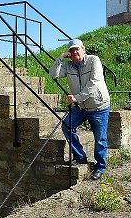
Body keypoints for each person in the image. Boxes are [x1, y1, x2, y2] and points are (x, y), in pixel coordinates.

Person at [49, 38, 110, 180]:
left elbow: (94, 83)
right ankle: (80, 156)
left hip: (98, 106)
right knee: (66, 125)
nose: (75, 52)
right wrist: (60, 58)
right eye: (71, 50)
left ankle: (100, 167)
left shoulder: (93, 60)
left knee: (100, 138)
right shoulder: (69, 66)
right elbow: (53, 74)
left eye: (77, 49)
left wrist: (77, 97)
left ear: (83, 49)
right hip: (81, 107)